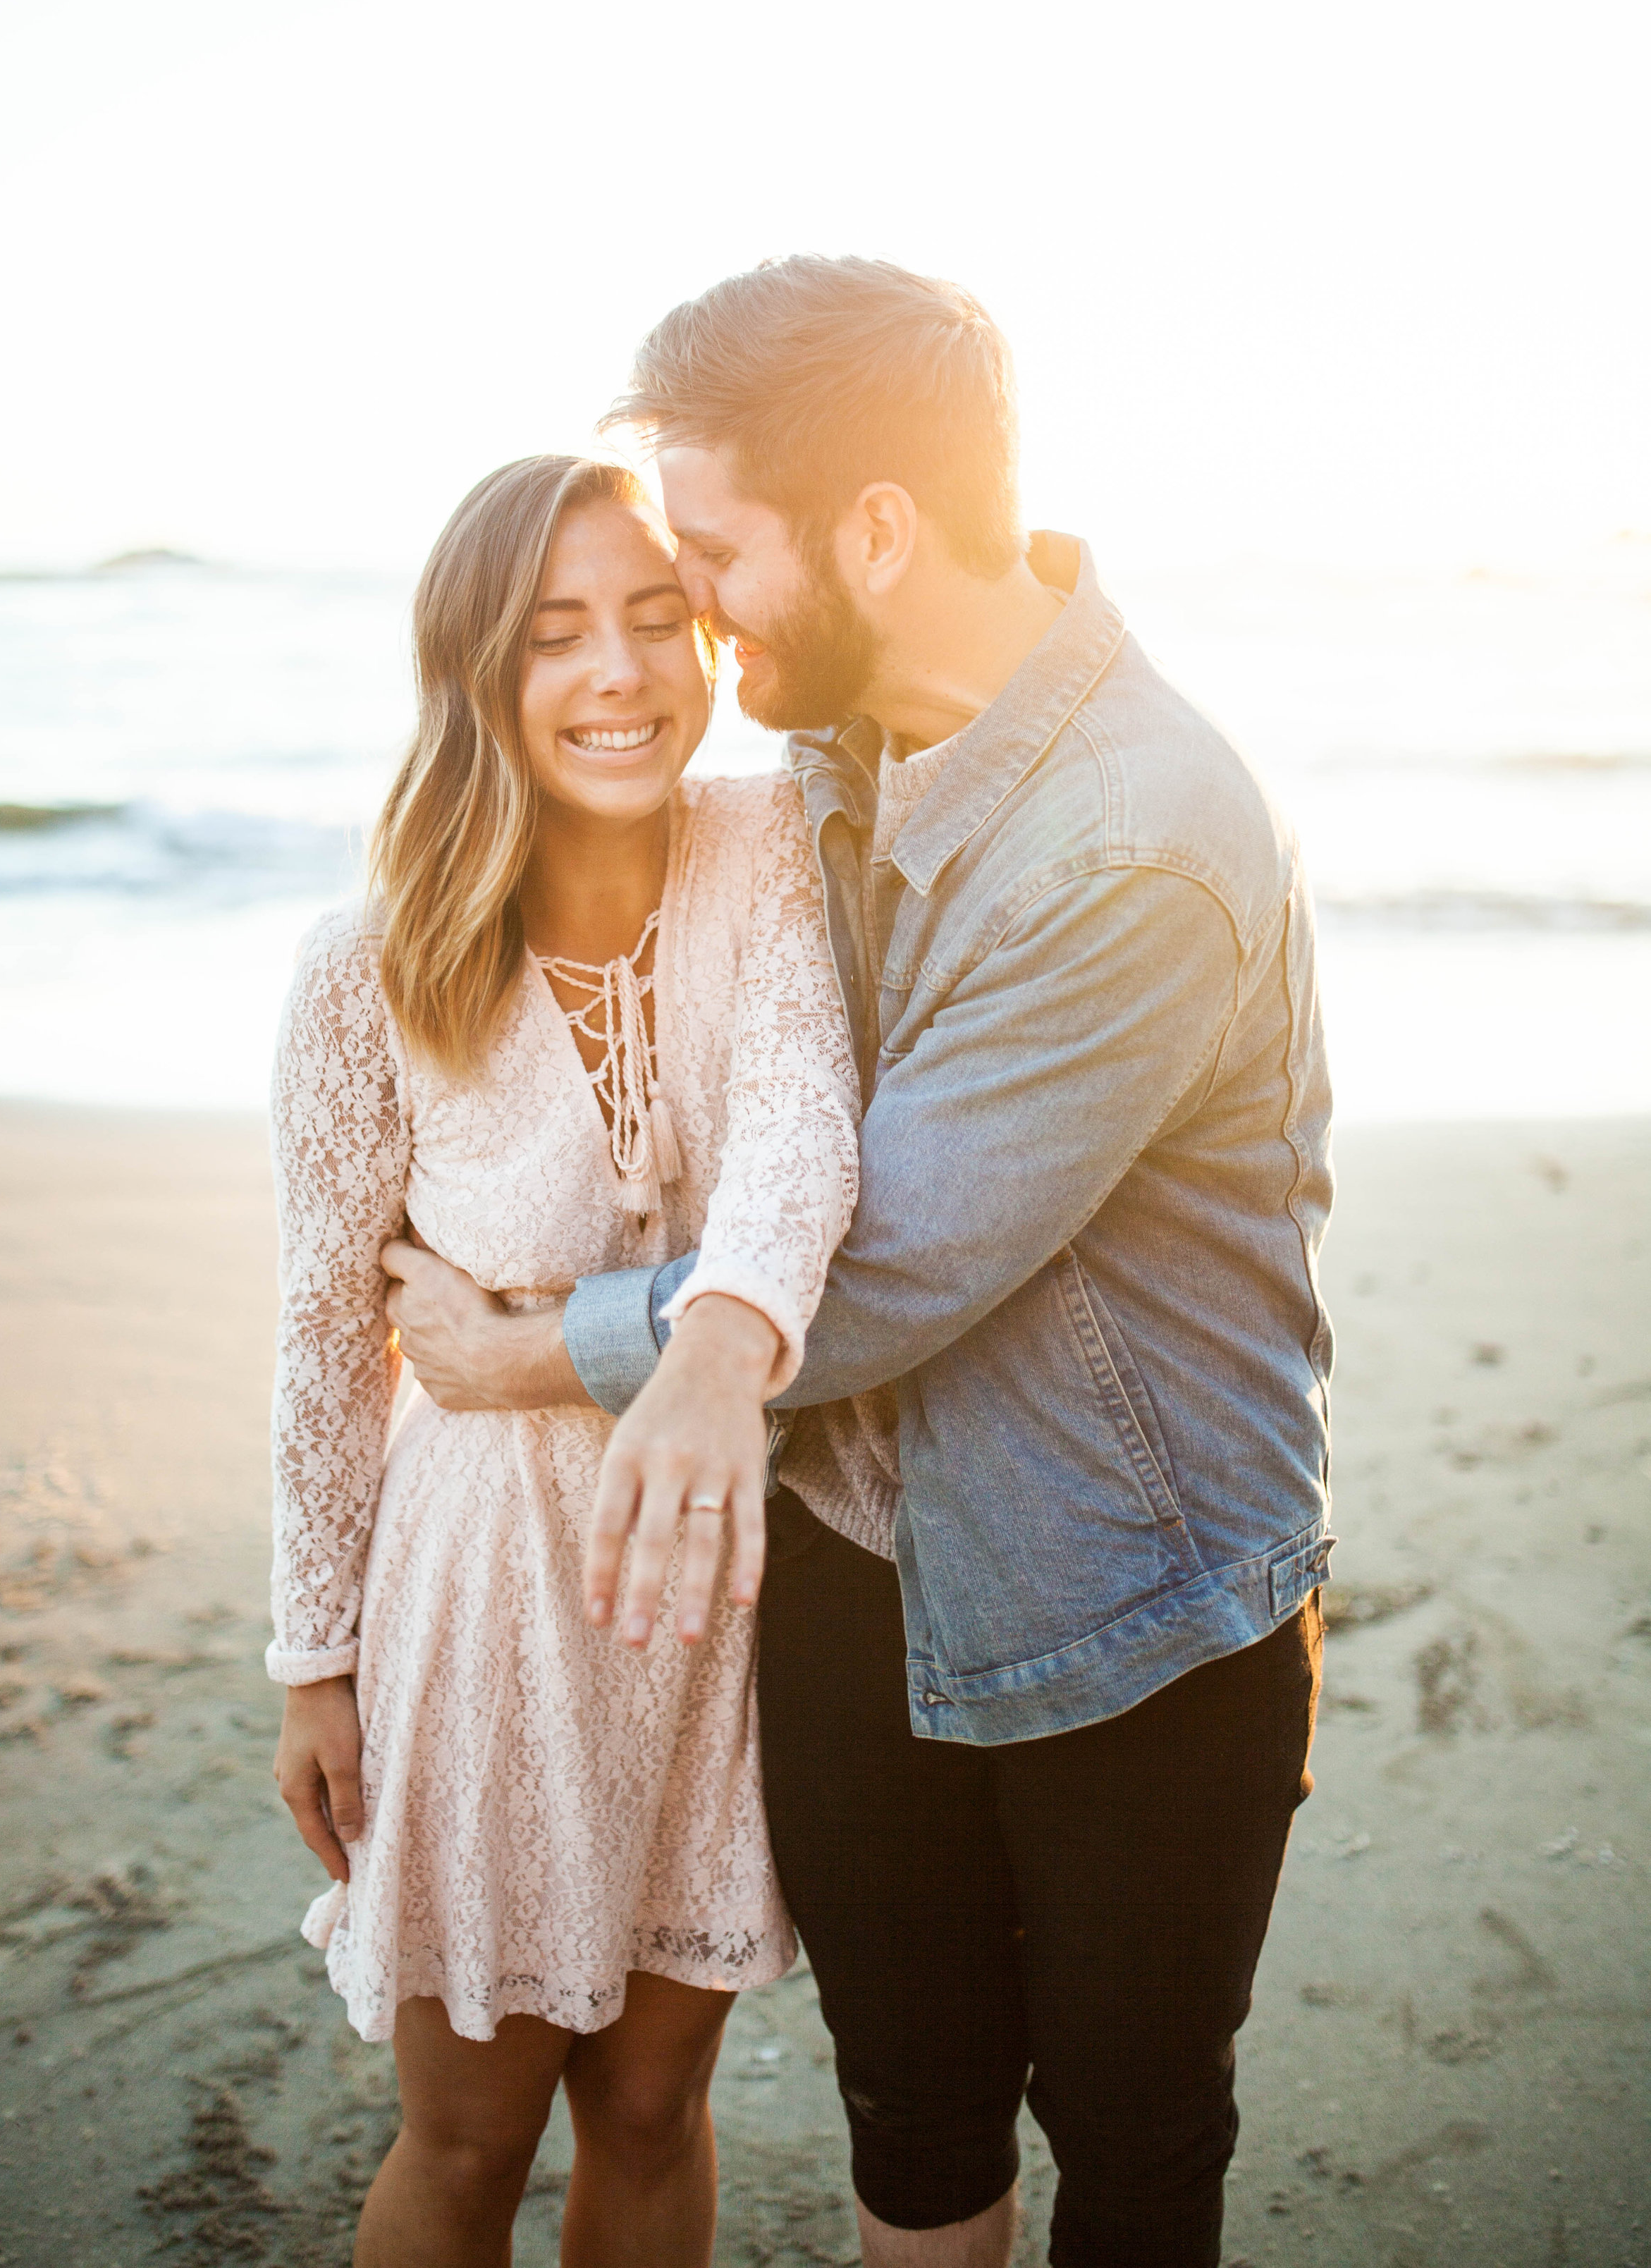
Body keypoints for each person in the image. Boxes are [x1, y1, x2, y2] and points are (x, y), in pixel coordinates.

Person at [384, 259, 1335, 2268]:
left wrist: (528, 1348)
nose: (693, 609)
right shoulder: (830, 753)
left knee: (1138, 2141)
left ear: (877, 529)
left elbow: (885, 1253)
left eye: (712, 553)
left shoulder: (1141, 838)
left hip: (1128, 1605)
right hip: (851, 1569)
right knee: (907, 2113)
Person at [266, 451, 861, 2268]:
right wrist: (314, 1658)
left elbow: (800, 1134)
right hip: (485, 1596)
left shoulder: (769, 846)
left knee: (653, 2105)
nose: (622, 672)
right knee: (465, 2144)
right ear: (478, 672)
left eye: (656, 617)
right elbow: (320, 1337)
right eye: (557, 637)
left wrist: (676, 1353)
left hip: (715, 1595)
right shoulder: (372, 963)